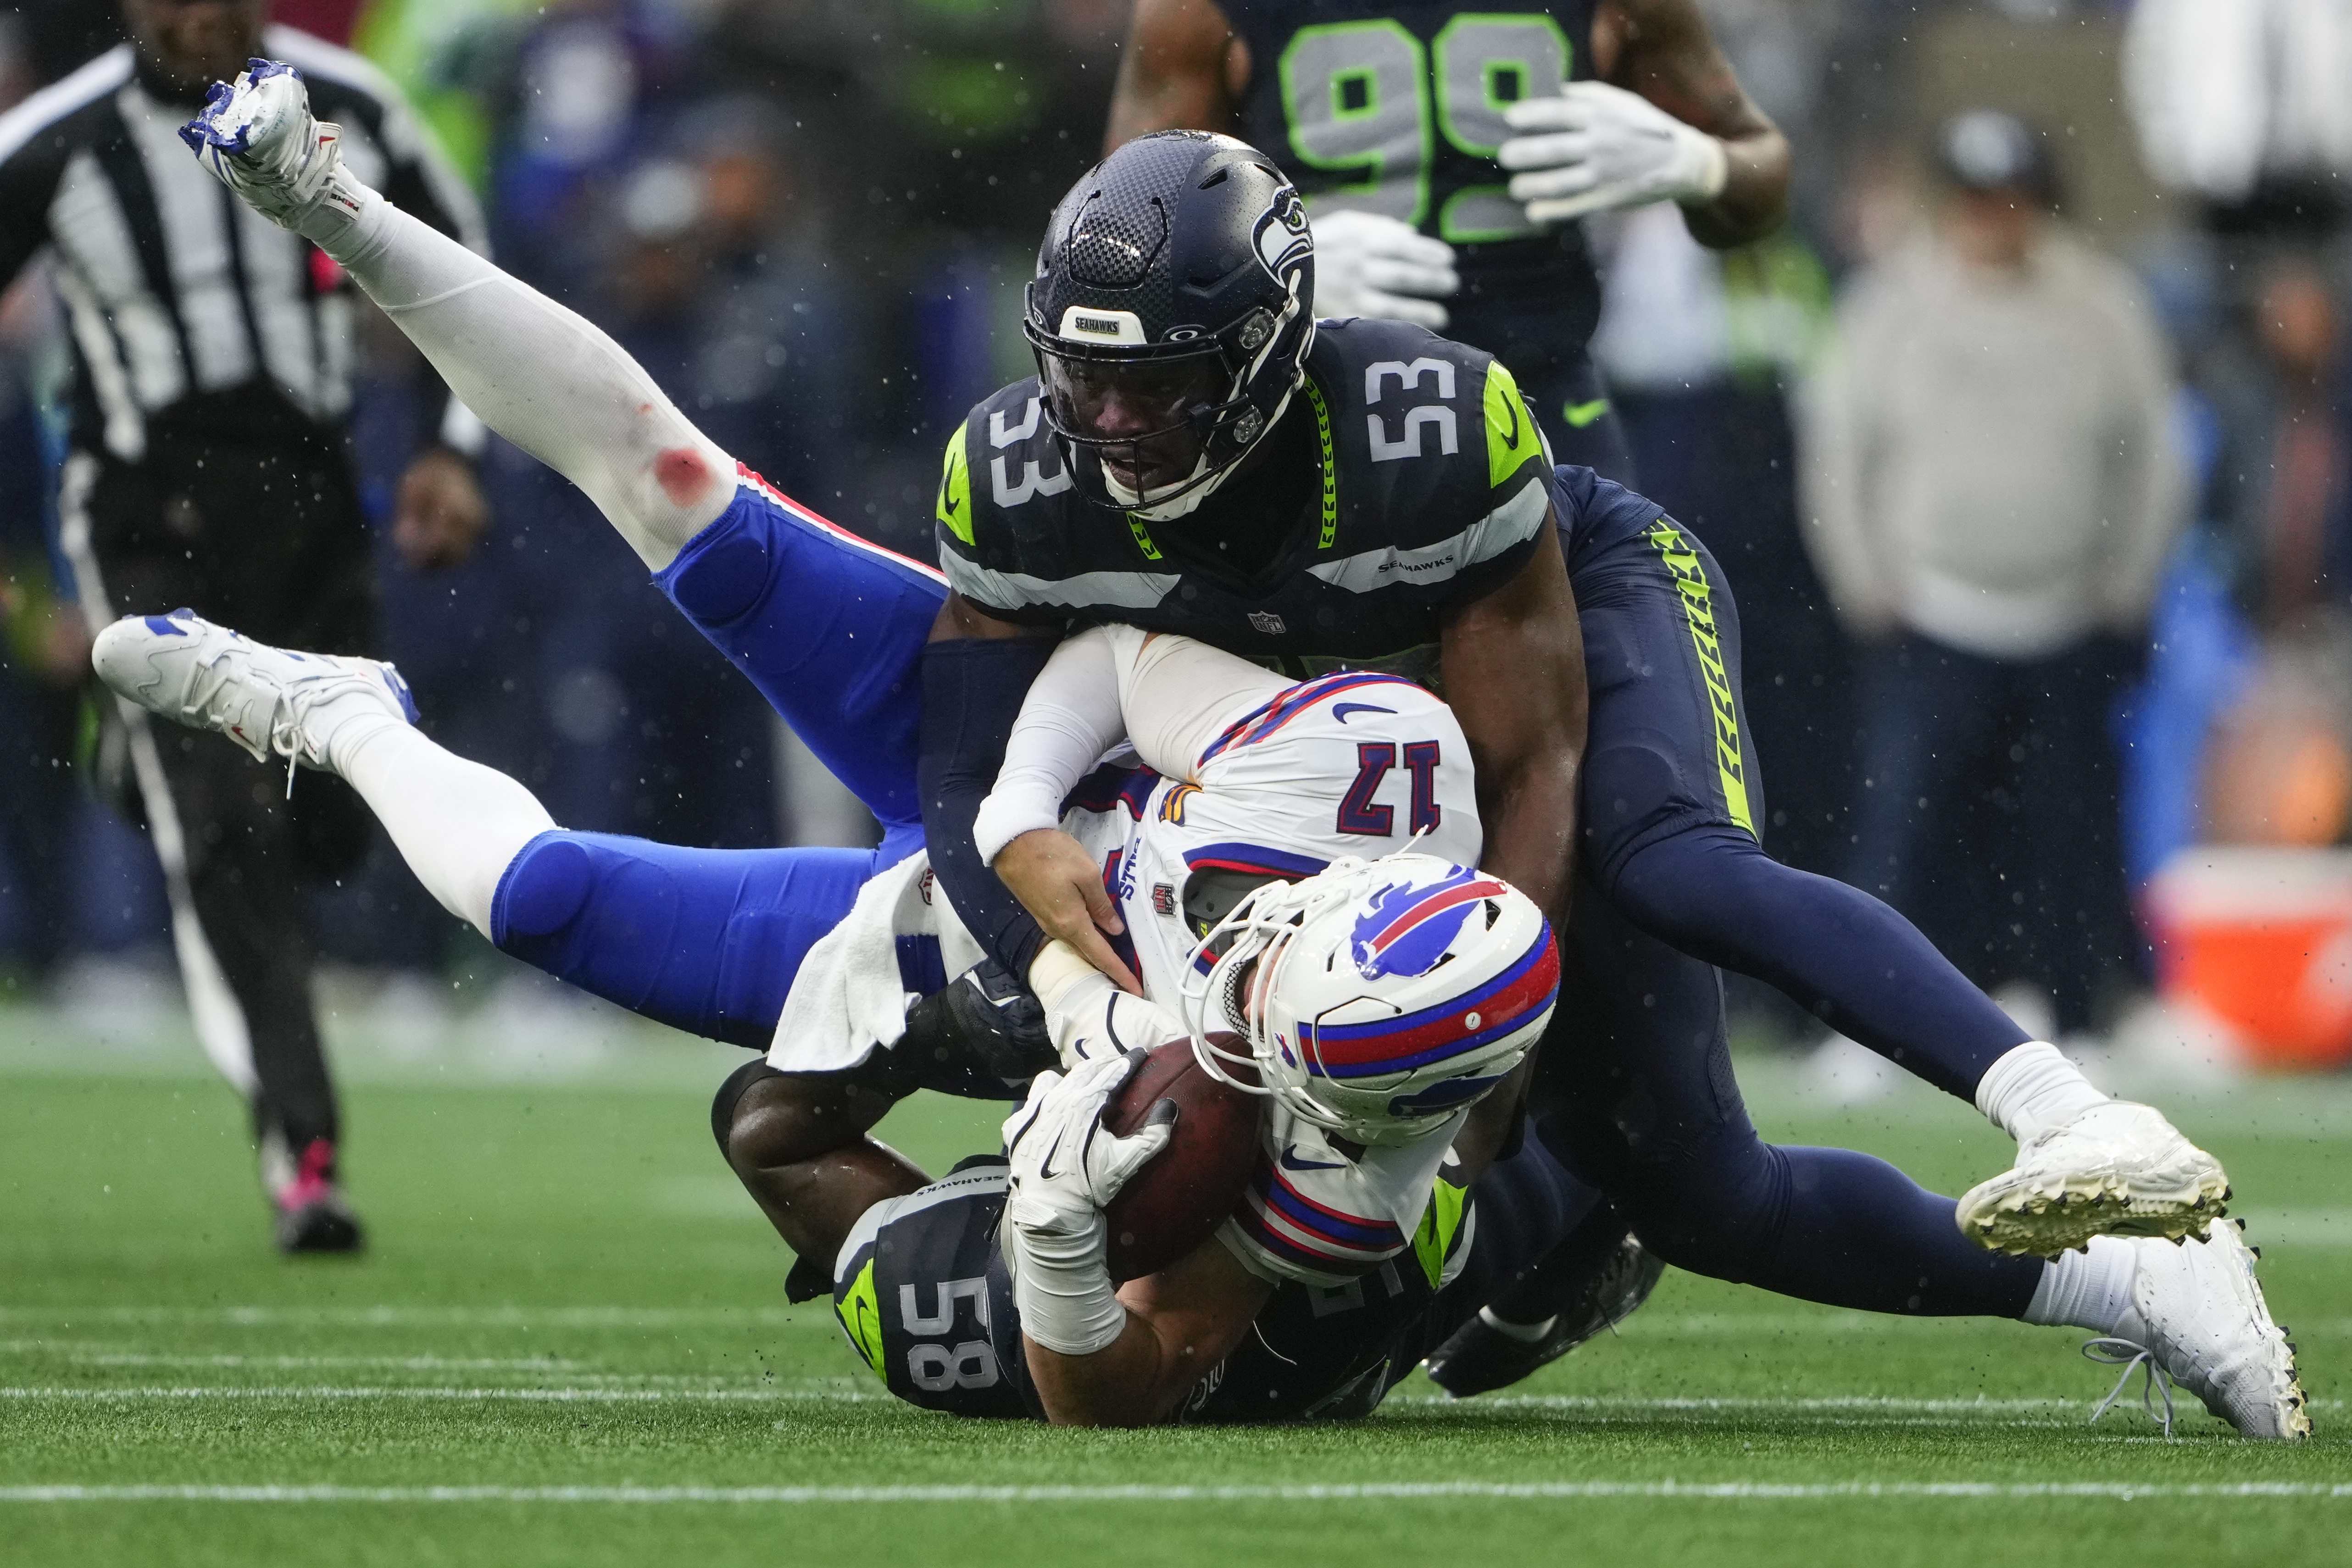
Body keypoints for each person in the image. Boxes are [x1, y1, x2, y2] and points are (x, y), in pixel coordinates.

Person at [159, 61, 2308, 1439]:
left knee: (558, 860)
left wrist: (1053, 1016)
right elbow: (1059, 726)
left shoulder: (1133, 1194)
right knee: (1698, 1164)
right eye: (1082, 395)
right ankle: (2088, 1202)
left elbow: (820, 1115)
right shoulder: (1361, 1175)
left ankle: (342, 704)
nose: (1109, 441)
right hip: (1283, 785)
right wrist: (1406, 1000)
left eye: (1154, 394)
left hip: (1218, 801)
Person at [0, 0, 490, 1250]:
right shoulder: (58, 142)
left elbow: (462, 269)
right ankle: (303, 1153)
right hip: (143, 512)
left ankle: (136, 761)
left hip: (311, 501)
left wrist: (449, 446)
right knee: (221, 829)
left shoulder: (354, 105)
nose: (194, 16)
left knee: (332, 818)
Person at [1800, 111, 2185, 1038]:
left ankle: (2079, 1008)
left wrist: (2126, 576)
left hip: (2064, 606)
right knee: (1903, 828)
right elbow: (1836, 451)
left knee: (2070, 829)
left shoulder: (2101, 304)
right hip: (1929, 604)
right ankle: (1872, 1019)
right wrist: (1862, 577)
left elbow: (2153, 454)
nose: (1990, 218)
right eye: (1973, 197)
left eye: (2008, 197)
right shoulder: (1889, 302)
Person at [1104, 0, 1793, 483]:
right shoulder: (1195, 9)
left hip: (1543, 401)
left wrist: (1695, 164)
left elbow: (1762, 170)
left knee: (1631, 668)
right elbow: (1118, 239)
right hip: (1308, 410)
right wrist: (1264, 271)